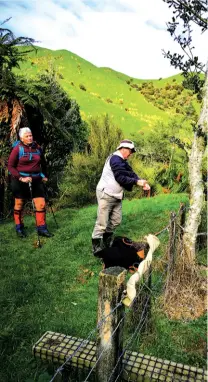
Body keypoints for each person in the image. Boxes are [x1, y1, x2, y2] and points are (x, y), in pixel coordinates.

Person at [91, 139, 150, 255]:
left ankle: (107, 241)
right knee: (102, 222)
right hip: (106, 194)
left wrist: (141, 182)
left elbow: (131, 173)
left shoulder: (122, 161)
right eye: (130, 151)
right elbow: (120, 177)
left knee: (116, 220)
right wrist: (136, 182)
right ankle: (96, 247)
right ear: (123, 149)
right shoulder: (115, 159)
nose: (131, 154)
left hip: (116, 195)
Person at [8, 127, 53, 238]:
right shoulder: (17, 149)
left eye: (31, 135)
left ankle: (42, 228)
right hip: (20, 181)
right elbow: (10, 166)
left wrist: (45, 176)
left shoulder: (37, 148)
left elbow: (43, 163)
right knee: (19, 204)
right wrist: (21, 178)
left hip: (36, 179)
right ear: (22, 138)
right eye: (27, 136)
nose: (30, 137)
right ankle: (19, 227)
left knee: (41, 204)